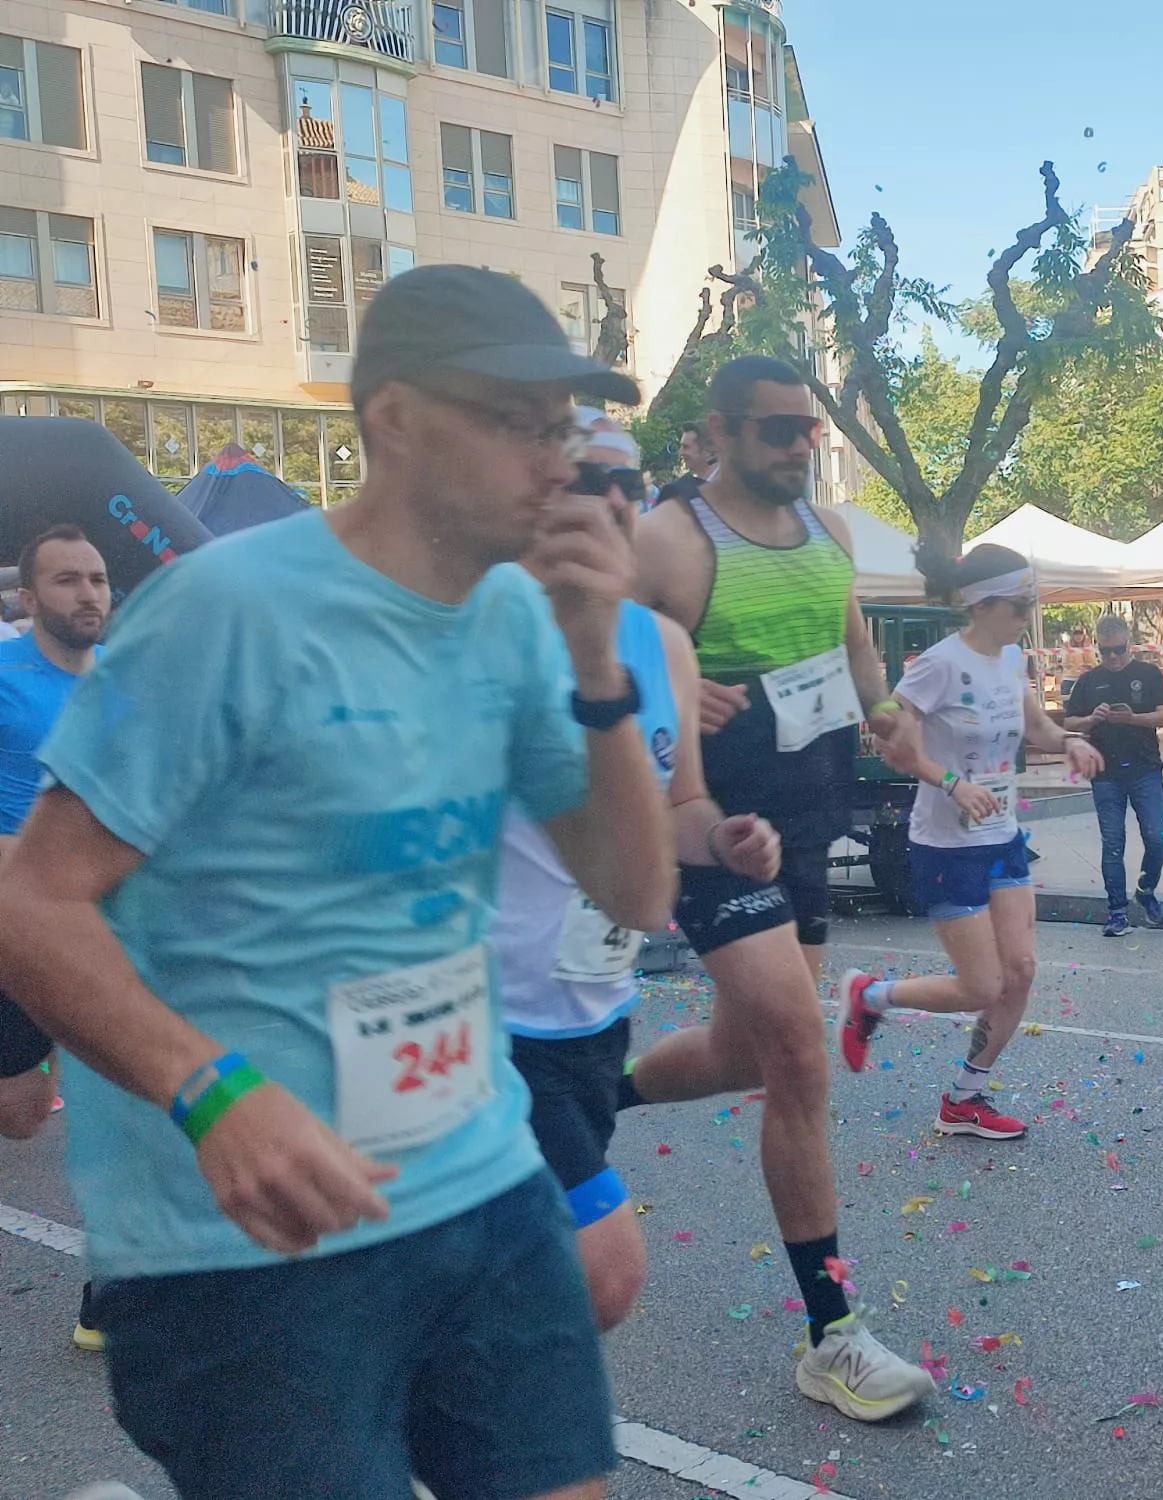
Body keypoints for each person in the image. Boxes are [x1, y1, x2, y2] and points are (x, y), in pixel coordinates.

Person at [0, 264, 675, 1500]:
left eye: (563, 430)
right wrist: (212, 1095)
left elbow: (633, 893)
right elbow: (31, 903)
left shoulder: (524, 620)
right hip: (247, 1238)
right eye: (516, 423)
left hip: (480, 1178)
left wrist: (593, 656)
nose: (555, 463)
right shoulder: (229, 610)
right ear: (398, 422)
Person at [625, 354, 933, 1420]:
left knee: (747, 1050)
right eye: (775, 431)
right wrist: (666, 678)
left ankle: (590, 1100)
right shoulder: (668, 537)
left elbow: (851, 649)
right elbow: (588, 651)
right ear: (716, 434)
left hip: (805, 823)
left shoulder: (831, 531)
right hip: (707, 824)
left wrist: (886, 716)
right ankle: (832, 1334)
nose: (799, 446)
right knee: (801, 1052)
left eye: (808, 429)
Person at [493, 436, 780, 1332]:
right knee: (603, 1271)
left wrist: (726, 838)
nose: (614, 502)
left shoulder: (660, 645)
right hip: (487, 1022)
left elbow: (679, 802)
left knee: (514, 1259)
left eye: (628, 483)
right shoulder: (485, 628)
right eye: (586, 481)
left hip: (597, 1015)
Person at [837, 546, 1102, 1138]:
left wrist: (1069, 742)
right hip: (945, 844)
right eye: (1019, 605)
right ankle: (870, 997)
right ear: (982, 604)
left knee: (1023, 970)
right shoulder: (937, 665)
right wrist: (949, 783)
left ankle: (965, 1097)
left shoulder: (1012, 657)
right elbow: (890, 742)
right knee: (980, 985)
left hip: (1001, 835)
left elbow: (1034, 727)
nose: (1027, 616)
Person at [0, 525, 110, 1352]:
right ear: (31, 600)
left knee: (126, 1094)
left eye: (98, 579)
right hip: (12, 917)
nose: (88, 594)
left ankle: (113, 1289)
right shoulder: (4, 680)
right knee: (21, 1115)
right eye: (67, 581)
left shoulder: (122, 688)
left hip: (94, 921)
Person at [1063, 612, 1163, 936]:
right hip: (1105, 772)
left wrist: (1133, 719)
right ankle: (1117, 911)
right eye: (1106, 651)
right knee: (1113, 842)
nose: (1112, 657)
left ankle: (1145, 890)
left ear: (1130, 645)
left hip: (1145, 769)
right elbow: (1070, 722)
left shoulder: (1148, 674)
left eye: (1119, 650)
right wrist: (1092, 720)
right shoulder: (1089, 680)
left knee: (1157, 837)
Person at [658, 423, 714, 506]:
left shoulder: (730, 486)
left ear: (707, 450)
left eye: (686, 447)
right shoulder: (681, 491)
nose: (681, 453)